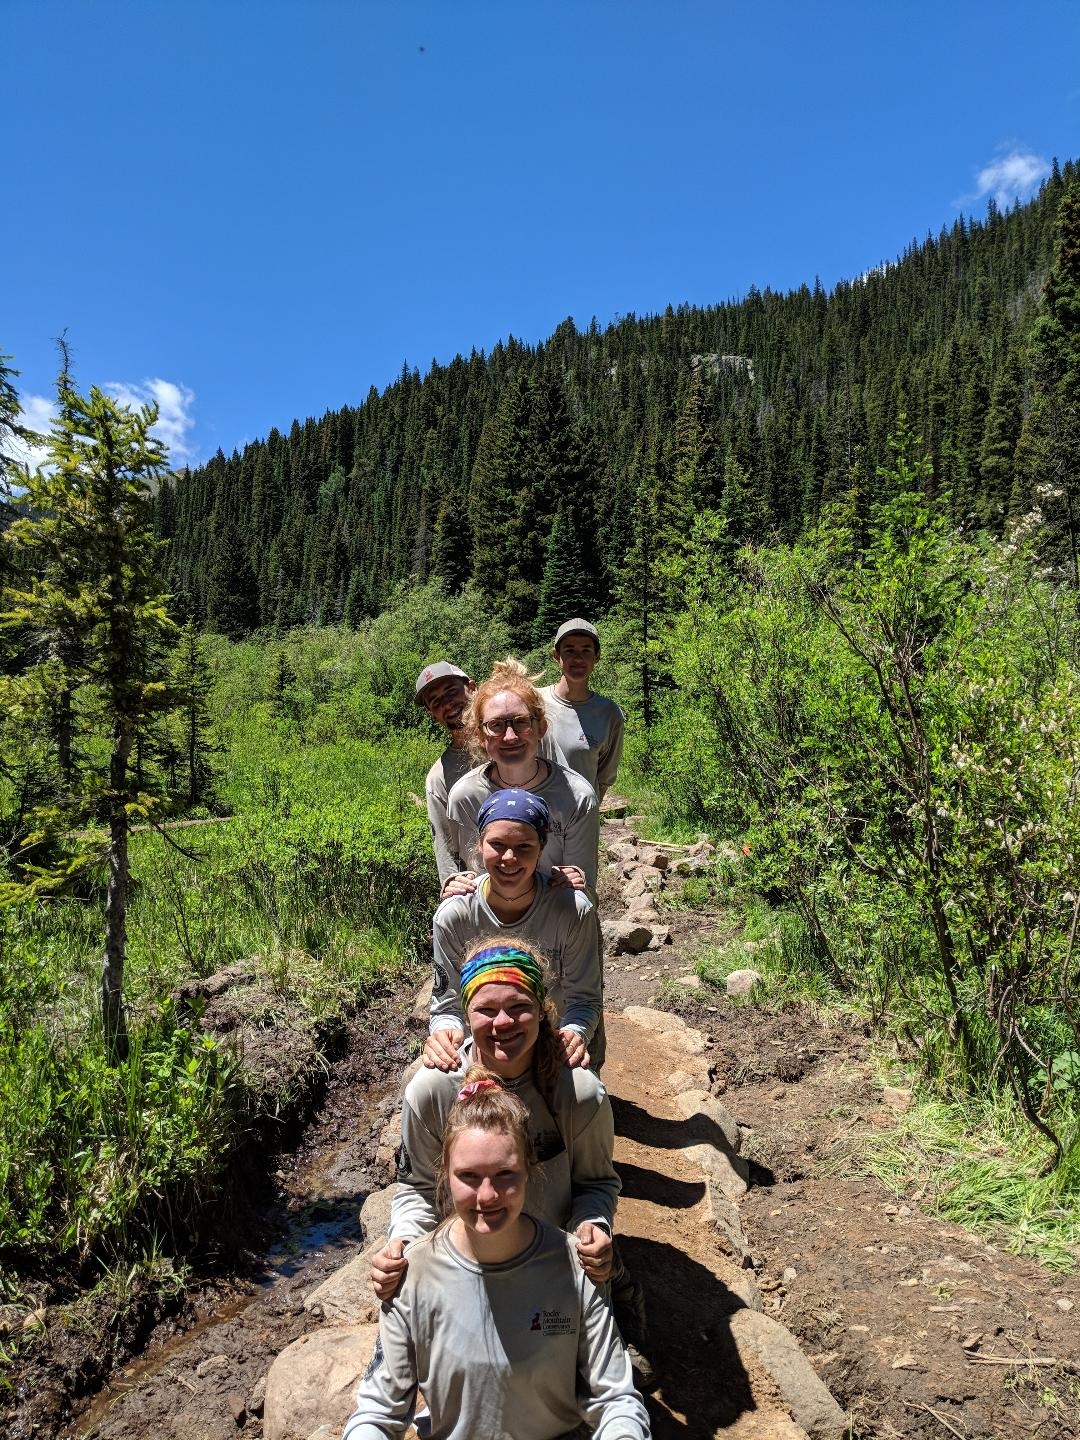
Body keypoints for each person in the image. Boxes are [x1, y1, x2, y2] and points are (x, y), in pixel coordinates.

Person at [344, 1069, 651, 1440]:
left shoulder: (577, 1266)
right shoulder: (412, 1273)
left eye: (504, 1174)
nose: (486, 1196)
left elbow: (616, 1398)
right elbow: (378, 1412)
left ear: (528, 1171)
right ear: (444, 1175)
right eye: (469, 1176)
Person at [425, 789, 603, 1072]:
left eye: (524, 847)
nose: (509, 857)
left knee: (587, 1092)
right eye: (497, 844)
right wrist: (444, 1033)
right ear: (479, 845)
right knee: (426, 1085)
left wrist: (574, 1034)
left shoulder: (572, 909)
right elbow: (445, 1006)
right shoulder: (454, 915)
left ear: (541, 849)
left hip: (549, 1042)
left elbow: (585, 999)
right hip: (480, 1045)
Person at [445, 658, 600, 891]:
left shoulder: (576, 796)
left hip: (557, 915)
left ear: (541, 728)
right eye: (496, 725)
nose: (510, 736)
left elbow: (585, 891)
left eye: (521, 722)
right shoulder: (465, 797)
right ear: (480, 735)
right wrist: (456, 886)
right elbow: (475, 879)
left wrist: (578, 881)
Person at [541, 619, 625, 801]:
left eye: (586, 650)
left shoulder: (609, 713)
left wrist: (587, 817)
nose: (578, 658)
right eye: (569, 650)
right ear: (556, 655)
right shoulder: (535, 702)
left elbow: (604, 779)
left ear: (597, 656)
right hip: (533, 818)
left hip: (581, 820)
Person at [414, 662, 478, 888]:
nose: (448, 703)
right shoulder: (439, 777)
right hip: (485, 892)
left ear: (472, 688)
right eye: (436, 702)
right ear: (433, 715)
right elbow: (445, 848)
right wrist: (452, 886)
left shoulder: (514, 744)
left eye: (452, 691)